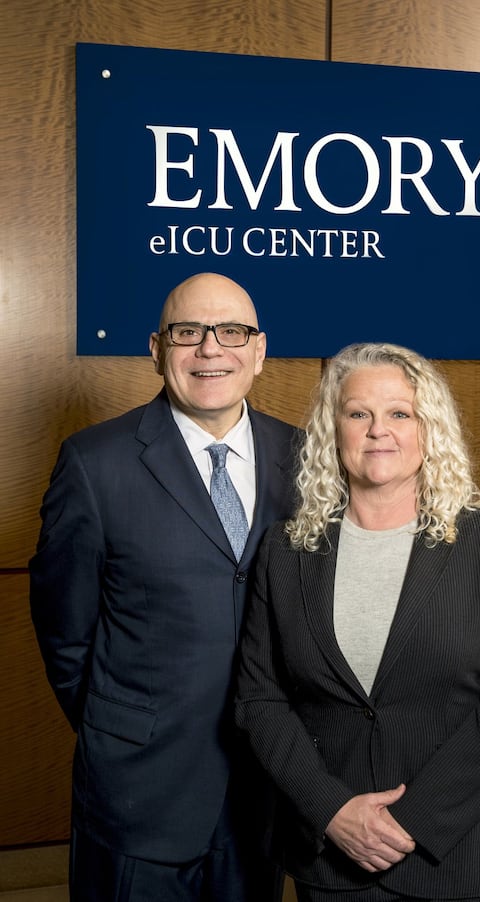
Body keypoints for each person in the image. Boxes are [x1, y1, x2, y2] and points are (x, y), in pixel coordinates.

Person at [234, 342, 480, 902]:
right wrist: (331, 810)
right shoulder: (285, 552)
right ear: (333, 432)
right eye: (359, 413)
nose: (379, 430)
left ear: (429, 429)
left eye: (400, 413)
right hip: (332, 856)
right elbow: (261, 701)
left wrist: (412, 822)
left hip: (456, 856)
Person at [29, 272, 301, 902]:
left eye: (231, 331)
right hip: (137, 794)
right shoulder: (94, 464)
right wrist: (118, 727)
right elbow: (65, 635)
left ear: (259, 352)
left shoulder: (305, 456)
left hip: (264, 788)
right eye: (188, 332)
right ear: (156, 349)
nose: (211, 349)